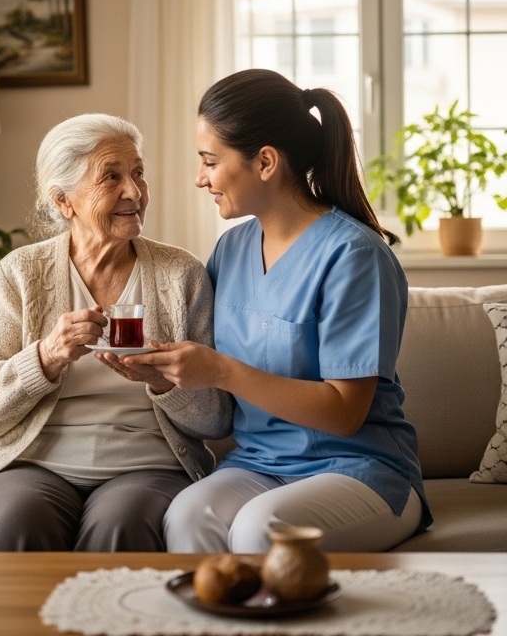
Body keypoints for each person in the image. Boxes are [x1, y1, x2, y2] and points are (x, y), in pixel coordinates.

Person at [120, 68, 430, 553]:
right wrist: (161, 370)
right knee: (186, 515)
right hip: (261, 463)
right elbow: (209, 384)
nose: (199, 179)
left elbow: (346, 414)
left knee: (258, 530)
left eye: (209, 161)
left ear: (265, 162)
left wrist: (222, 370)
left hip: (360, 468)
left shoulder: (354, 256)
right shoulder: (231, 250)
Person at [0, 113, 232, 552]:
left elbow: (218, 419)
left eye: (138, 173)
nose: (135, 191)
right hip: (32, 467)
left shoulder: (181, 274)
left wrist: (164, 383)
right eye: (111, 177)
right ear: (64, 200)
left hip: (145, 469)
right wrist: (46, 357)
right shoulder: (21, 273)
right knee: (19, 519)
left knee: (121, 526)